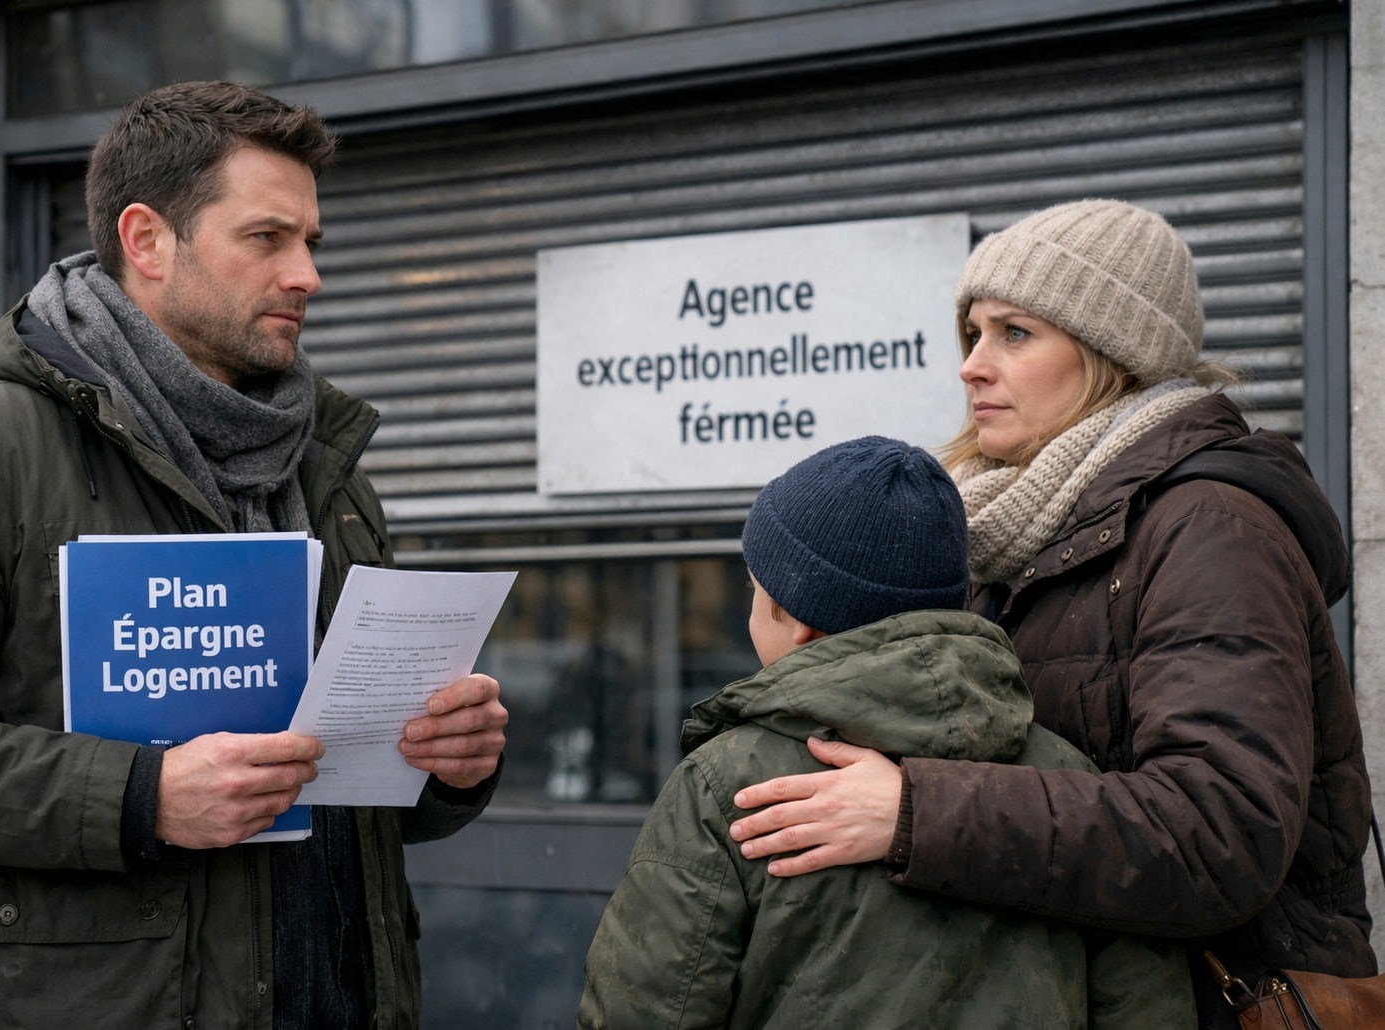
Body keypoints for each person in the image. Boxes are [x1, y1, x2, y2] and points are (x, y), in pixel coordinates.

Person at [0, 80, 507, 1029]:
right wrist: (140, 797)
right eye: (266, 238)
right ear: (147, 240)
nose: (307, 276)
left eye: (310, 243)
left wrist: (447, 765)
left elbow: (351, 782)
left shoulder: (324, 467)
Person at [727, 199, 1376, 1027]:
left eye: (1015, 333)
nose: (971, 366)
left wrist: (914, 812)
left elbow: (1221, 832)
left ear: (1113, 352)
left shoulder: (1211, 528)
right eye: (972, 334)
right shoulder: (1012, 524)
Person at [577, 435, 1195, 1028]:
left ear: (795, 618)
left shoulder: (727, 786)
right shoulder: (1068, 781)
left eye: (753, 588)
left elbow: (647, 1008)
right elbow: (1142, 1003)